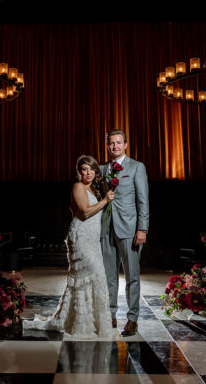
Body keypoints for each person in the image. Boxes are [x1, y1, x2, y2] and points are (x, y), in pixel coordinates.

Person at [23, 155, 115, 338]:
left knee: (96, 277)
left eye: (91, 169)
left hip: (94, 239)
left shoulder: (96, 188)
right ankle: (81, 323)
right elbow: (85, 212)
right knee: (86, 276)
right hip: (80, 236)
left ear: (96, 171)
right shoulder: (78, 186)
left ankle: (95, 322)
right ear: (79, 171)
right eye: (84, 169)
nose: (88, 172)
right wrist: (105, 200)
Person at [100, 129, 149, 337]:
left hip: (130, 229)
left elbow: (143, 201)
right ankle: (111, 314)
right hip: (106, 228)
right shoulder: (102, 170)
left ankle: (132, 319)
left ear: (126, 145)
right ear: (108, 145)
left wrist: (142, 228)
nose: (115, 147)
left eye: (119, 143)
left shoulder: (136, 167)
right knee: (109, 276)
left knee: (132, 277)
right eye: (111, 143)